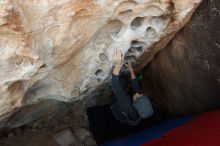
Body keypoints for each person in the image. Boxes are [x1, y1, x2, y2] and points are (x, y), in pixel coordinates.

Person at [111, 48, 154, 126]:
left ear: (135, 104)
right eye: (141, 95)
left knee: (121, 80)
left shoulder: (126, 105)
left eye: (137, 97)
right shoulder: (140, 101)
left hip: (116, 106)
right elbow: (136, 86)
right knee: (126, 82)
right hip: (129, 106)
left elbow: (115, 84)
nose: (138, 94)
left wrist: (118, 64)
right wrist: (131, 69)